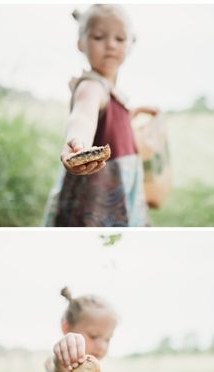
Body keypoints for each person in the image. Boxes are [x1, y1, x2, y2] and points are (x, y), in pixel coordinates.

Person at [43, 4, 160, 226]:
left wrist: (133, 113)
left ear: (130, 45)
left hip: (122, 189)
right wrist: (78, 144)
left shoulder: (111, 91)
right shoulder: (91, 86)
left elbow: (110, 123)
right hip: (96, 198)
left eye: (120, 38)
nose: (110, 45)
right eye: (98, 37)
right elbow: (84, 116)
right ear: (80, 44)